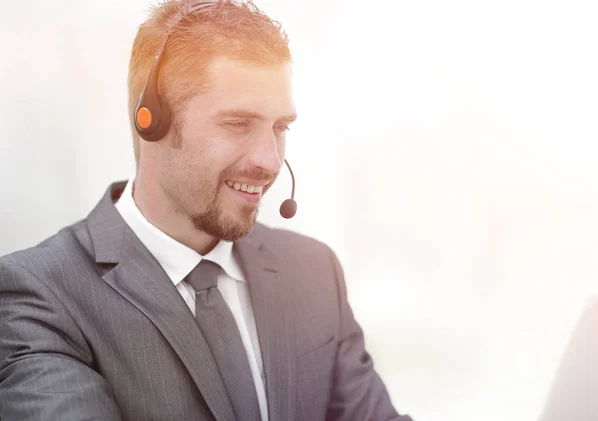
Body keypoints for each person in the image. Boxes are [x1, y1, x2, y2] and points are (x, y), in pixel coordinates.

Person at [0, 1, 413, 420]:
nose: (269, 161)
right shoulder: (39, 297)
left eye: (279, 127)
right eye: (237, 123)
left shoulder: (313, 272)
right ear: (152, 121)